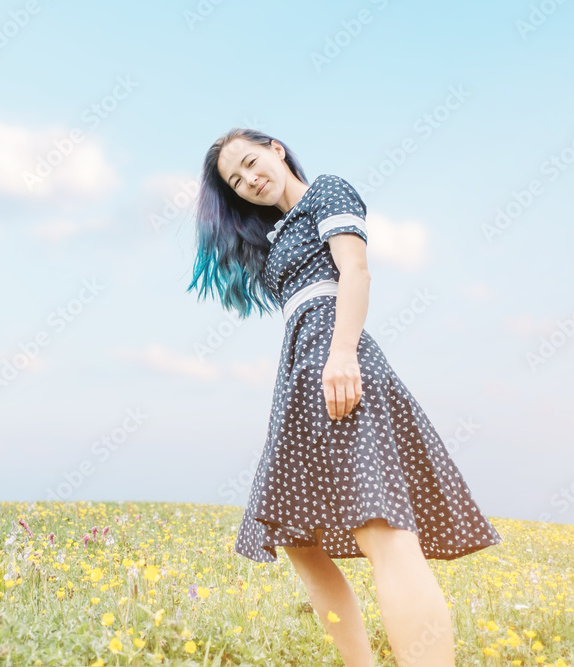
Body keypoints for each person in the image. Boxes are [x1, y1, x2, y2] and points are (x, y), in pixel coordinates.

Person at [186, 128, 503, 667]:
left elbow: (355, 271)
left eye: (250, 162)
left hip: (336, 358)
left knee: (382, 530)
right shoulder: (278, 232)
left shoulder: (327, 192)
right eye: (236, 181)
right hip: (300, 372)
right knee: (296, 540)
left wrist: (342, 354)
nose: (249, 180)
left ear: (275, 149)